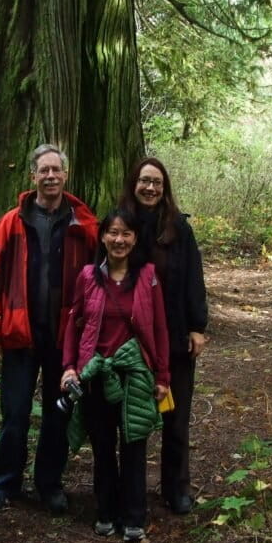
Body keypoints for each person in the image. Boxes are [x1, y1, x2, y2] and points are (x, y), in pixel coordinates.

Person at [0, 144, 98, 514]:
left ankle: (49, 483)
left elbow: (98, 280)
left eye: (56, 170)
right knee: (14, 412)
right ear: (33, 176)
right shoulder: (12, 222)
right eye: (43, 170)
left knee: (57, 412)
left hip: (64, 338)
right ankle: (6, 484)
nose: (50, 176)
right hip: (19, 334)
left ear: (65, 175)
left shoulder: (83, 223)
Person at [60, 208, 170, 542]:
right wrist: (69, 367)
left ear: (135, 239)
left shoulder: (148, 276)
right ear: (103, 236)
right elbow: (73, 323)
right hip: (95, 373)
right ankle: (106, 511)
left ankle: (134, 515)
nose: (119, 240)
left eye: (126, 234)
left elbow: (160, 329)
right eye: (113, 233)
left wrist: (162, 377)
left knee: (134, 445)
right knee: (103, 446)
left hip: (134, 374)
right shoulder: (89, 276)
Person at [119, 157, 208, 515]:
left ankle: (176, 488)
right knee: (133, 418)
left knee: (176, 417)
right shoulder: (120, 223)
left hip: (173, 337)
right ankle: (130, 492)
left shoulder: (179, 229)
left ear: (165, 187)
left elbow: (193, 278)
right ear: (134, 183)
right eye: (144, 181)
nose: (150, 188)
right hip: (130, 341)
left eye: (157, 182)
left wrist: (197, 326)